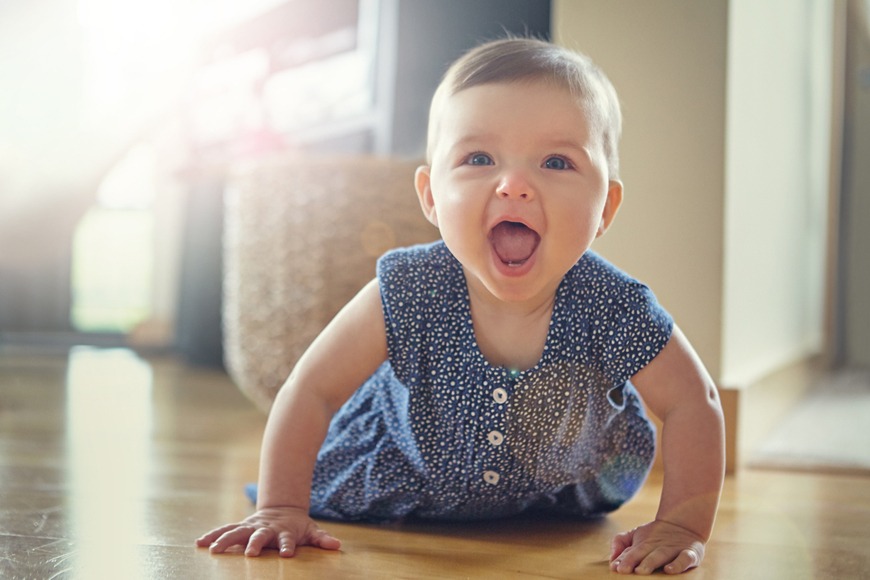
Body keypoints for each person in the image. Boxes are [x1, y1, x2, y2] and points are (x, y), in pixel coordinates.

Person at [196, 37, 725, 575]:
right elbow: (311, 389)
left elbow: (693, 401)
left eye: (556, 162)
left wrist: (681, 526)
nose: (514, 186)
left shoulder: (613, 306)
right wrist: (281, 507)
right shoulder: (408, 288)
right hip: (403, 475)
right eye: (479, 158)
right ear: (430, 195)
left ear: (605, 205)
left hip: (563, 494)